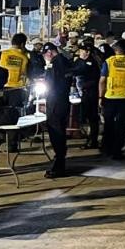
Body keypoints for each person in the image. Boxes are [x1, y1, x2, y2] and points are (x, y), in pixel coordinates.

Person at [99, 40, 125, 161]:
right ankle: (117, 152)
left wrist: (100, 97)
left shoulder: (109, 61)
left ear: (116, 50)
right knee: (121, 127)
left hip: (110, 97)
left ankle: (107, 149)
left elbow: (102, 81)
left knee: (108, 124)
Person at [41, 42, 73, 178]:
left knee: (56, 134)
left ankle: (58, 166)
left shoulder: (55, 64)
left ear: (49, 52)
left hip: (55, 103)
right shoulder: (65, 61)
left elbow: (51, 84)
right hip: (63, 101)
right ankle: (60, 163)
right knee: (60, 132)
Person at [73, 41, 102, 149]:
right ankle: (91, 139)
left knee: (91, 117)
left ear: (87, 52)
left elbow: (78, 70)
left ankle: (92, 140)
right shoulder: (83, 61)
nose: (80, 52)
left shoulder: (90, 62)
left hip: (91, 93)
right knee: (89, 117)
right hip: (87, 92)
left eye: (82, 50)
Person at [0, 33, 31, 109]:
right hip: (17, 89)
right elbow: (25, 73)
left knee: (2, 111)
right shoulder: (24, 57)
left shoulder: (3, 54)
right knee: (15, 112)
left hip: (3, 88)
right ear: (22, 44)